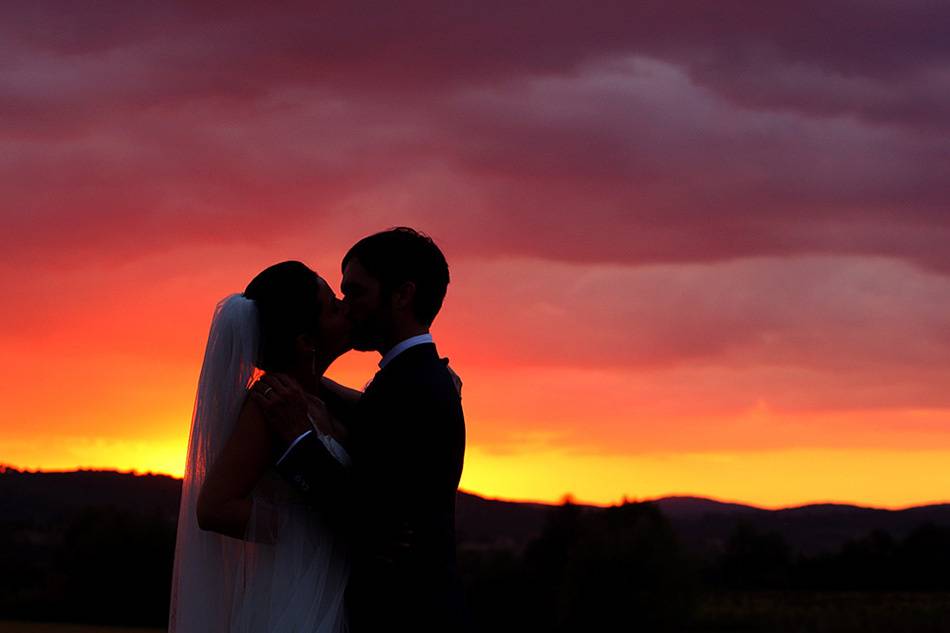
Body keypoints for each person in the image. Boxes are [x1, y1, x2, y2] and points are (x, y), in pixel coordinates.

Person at [253, 227, 470, 632]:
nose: (348, 307)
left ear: (402, 295)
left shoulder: (413, 387)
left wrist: (299, 437)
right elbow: (374, 420)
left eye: (357, 292)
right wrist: (308, 383)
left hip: (405, 614)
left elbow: (367, 513)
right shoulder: (410, 379)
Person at [169, 261, 353, 633]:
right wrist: (305, 532)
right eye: (333, 306)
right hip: (295, 597)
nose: (346, 310)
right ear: (305, 341)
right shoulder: (268, 404)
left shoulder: (318, 397)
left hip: (334, 587)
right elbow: (214, 508)